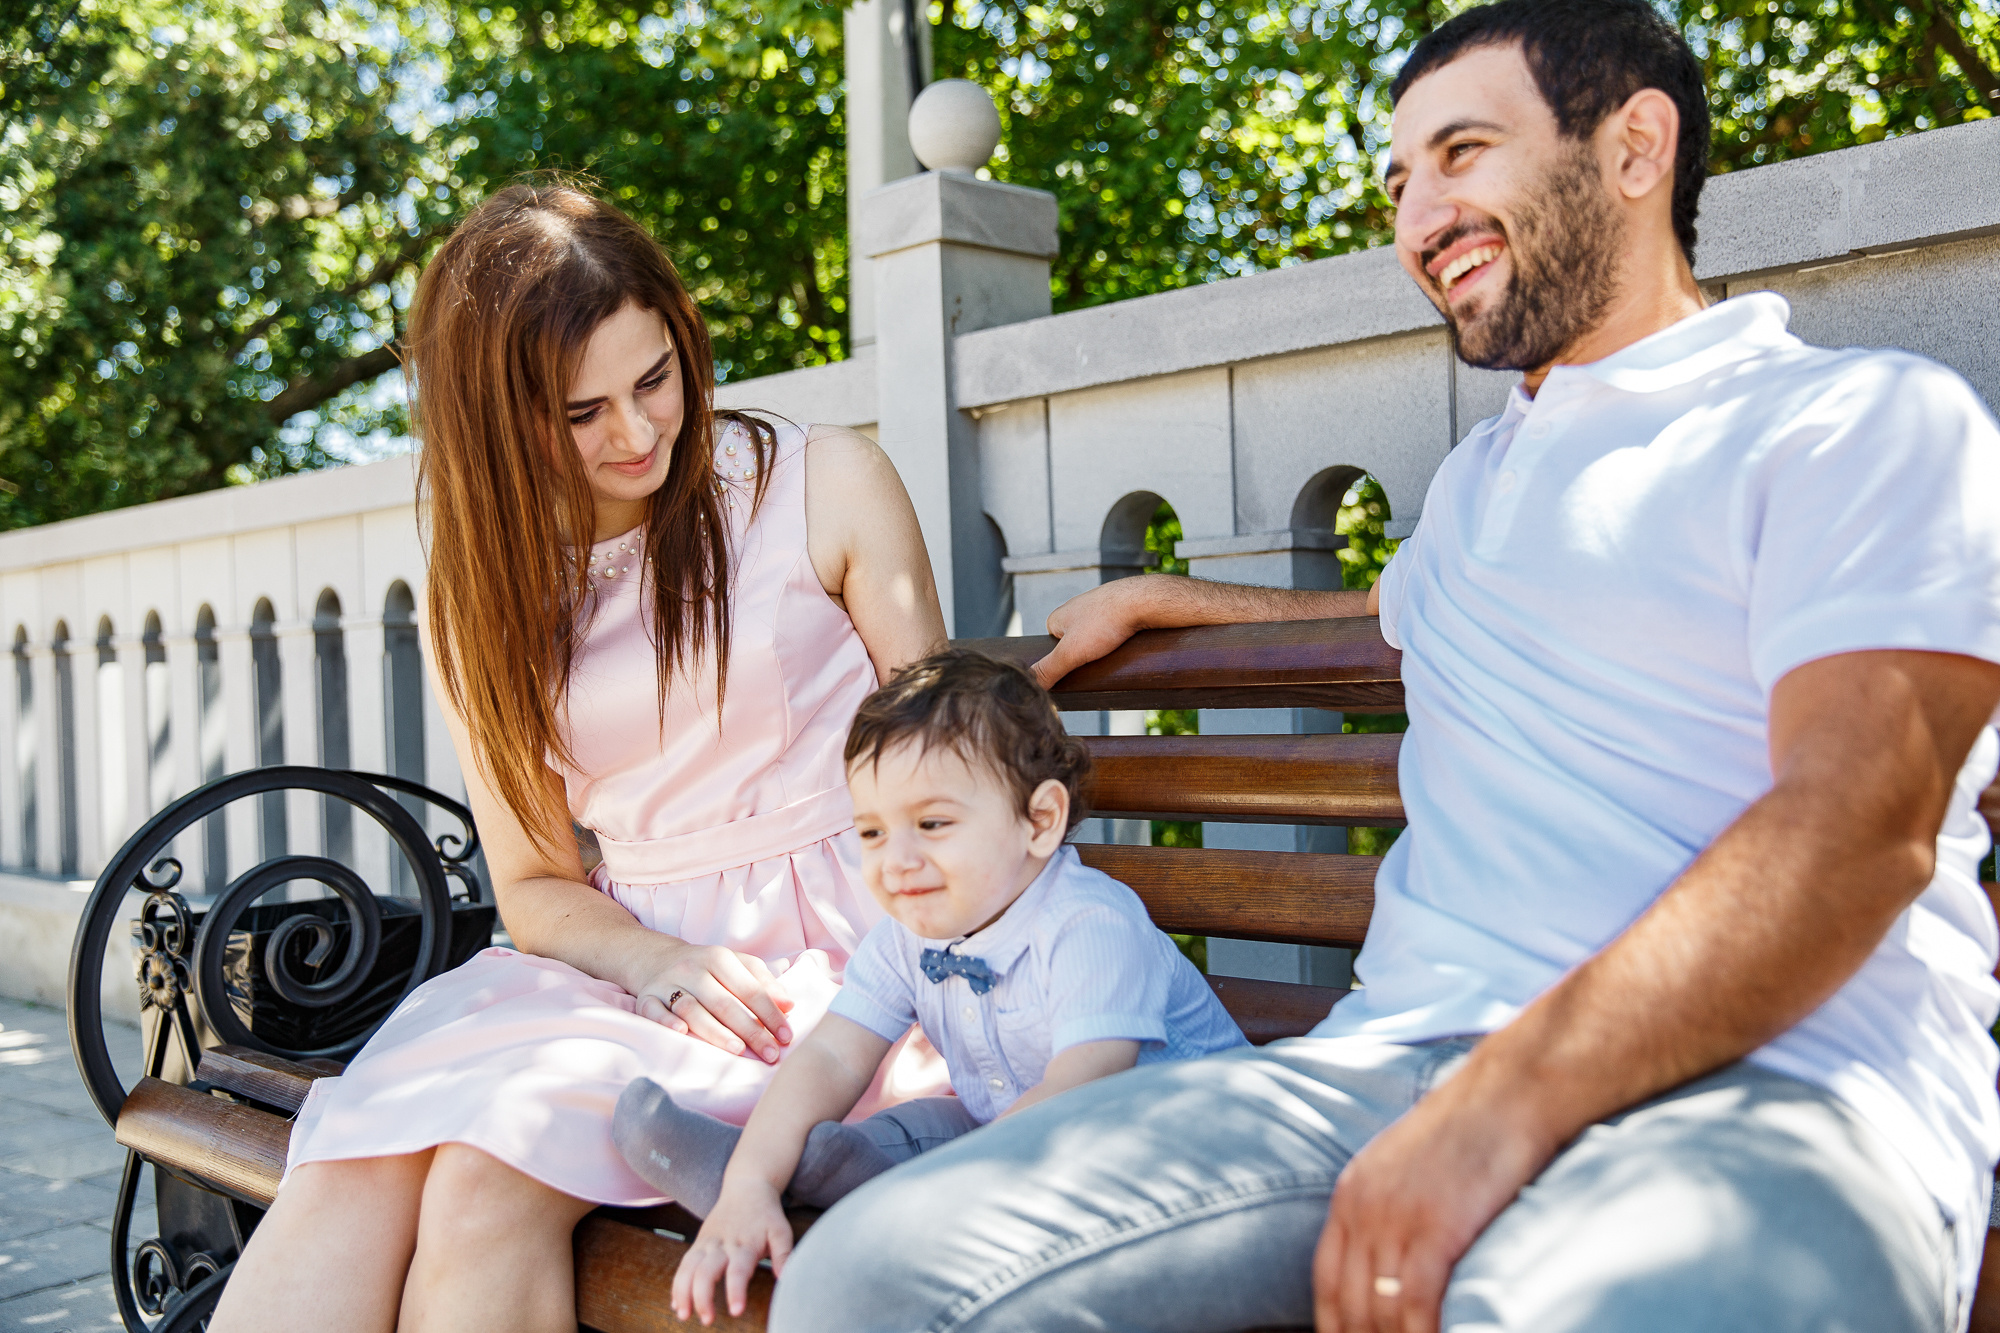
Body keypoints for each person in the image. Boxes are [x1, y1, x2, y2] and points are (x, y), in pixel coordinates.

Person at [766, 3, 2000, 1331]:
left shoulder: (1855, 424)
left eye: (1462, 153)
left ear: (1636, 146)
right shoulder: (1477, 488)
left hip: (1781, 1093)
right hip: (1385, 1072)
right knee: (864, 1283)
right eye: (1400, 181)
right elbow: (1391, 606)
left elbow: (1855, 828)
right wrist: (1173, 599)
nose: (1419, 217)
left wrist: (1507, 1102)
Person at [208, 181, 952, 1333]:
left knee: (484, 1174)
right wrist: (655, 960)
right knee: (373, 1152)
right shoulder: (484, 593)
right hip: (629, 962)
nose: (638, 433)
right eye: (581, 412)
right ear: (500, 425)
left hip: (838, 955)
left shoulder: (825, 483)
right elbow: (534, 882)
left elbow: (948, 772)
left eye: (655, 379)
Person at [612, 650, 1248, 1324]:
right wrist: (751, 1184)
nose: (897, 859)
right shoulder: (908, 936)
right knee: (913, 1124)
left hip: (1181, 1163)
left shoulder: (1090, 924)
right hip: (1011, 1137)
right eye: (872, 831)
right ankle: (753, 1175)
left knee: (946, 1150)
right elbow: (830, 1056)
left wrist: (939, 1194)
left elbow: (1078, 1093)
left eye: (933, 823)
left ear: (1039, 821)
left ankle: (846, 1184)